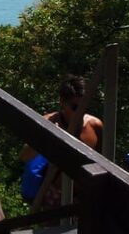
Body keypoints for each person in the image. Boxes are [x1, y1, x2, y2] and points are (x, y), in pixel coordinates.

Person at [21, 75, 103, 207]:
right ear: (62, 102)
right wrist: (49, 138)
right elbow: (25, 156)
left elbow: (104, 162)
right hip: (55, 196)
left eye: (84, 106)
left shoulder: (95, 126)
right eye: (75, 107)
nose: (80, 112)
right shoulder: (49, 122)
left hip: (85, 198)